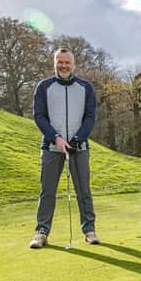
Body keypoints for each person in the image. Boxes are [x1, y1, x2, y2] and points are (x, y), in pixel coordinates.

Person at [29, 48, 100, 248]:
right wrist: (56, 138)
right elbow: (39, 116)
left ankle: (89, 230)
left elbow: (90, 116)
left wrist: (78, 138)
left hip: (80, 147)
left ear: (73, 64)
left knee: (83, 190)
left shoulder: (85, 87)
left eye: (67, 62)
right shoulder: (44, 87)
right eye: (60, 62)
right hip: (51, 147)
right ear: (54, 63)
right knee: (47, 191)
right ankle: (41, 232)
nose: (63, 65)